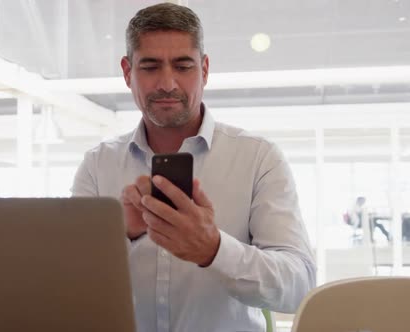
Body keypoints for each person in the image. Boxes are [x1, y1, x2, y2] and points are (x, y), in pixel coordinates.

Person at [71, 3, 316, 331]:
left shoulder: (259, 159)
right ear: (128, 71)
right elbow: (70, 286)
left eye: (183, 66)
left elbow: (299, 286)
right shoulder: (97, 165)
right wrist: (120, 235)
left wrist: (213, 249)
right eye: (151, 66)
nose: (167, 83)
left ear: (205, 69)